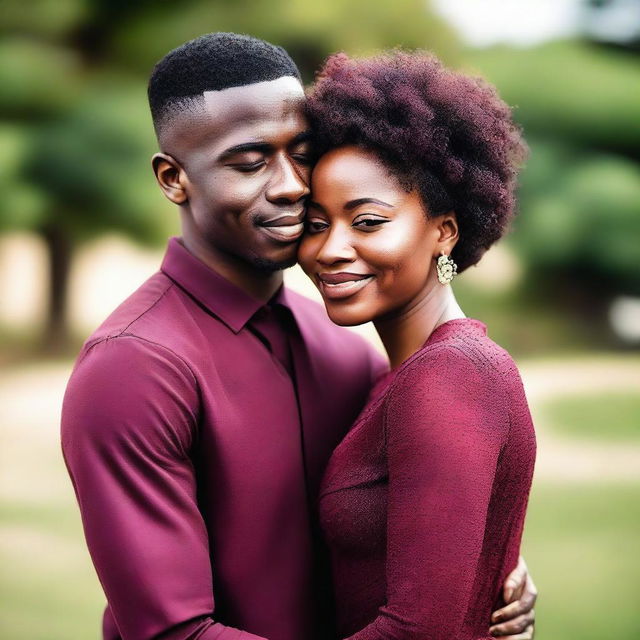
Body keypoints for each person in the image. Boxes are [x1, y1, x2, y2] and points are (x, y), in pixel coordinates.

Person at [61, 34, 536, 640]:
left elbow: (408, 536)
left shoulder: (344, 347)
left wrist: (481, 572)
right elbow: (172, 633)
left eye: (302, 153)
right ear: (173, 178)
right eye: (250, 160)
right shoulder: (134, 367)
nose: (290, 185)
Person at [298, 51, 537, 639]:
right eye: (316, 221)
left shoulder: (452, 374)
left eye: (368, 220)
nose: (330, 249)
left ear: (444, 232)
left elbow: (416, 630)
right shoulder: (403, 375)